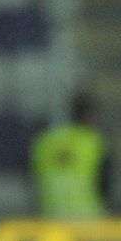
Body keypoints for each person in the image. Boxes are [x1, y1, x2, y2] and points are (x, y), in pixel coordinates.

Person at [31, 89, 110, 219]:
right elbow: (105, 184)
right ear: (90, 115)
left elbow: (34, 176)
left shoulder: (45, 141)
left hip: (51, 215)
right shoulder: (95, 143)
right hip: (87, 216)